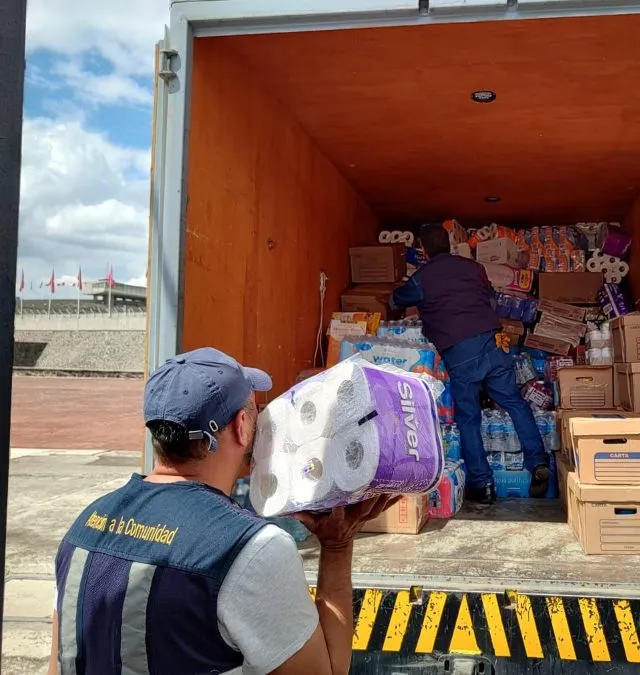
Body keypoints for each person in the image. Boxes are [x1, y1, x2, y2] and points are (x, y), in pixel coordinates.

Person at [47, 347, 397, 675]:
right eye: (255, 410)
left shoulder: (84, 527)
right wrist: (338, 547)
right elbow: (328, 670)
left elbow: (59, 663)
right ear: (242, 428)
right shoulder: (249, 549)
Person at [390, 225, 550, 504]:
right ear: (450, 244)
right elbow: (490, 299)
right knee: (513, 401)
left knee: (469, 417)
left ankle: (483, 484)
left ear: (424, 251)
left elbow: (396, 299)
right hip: (494, 341)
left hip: (461, 350)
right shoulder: (472, 267)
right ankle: (538, 462)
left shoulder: (422, 277)